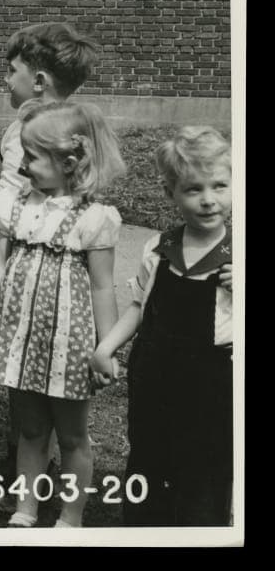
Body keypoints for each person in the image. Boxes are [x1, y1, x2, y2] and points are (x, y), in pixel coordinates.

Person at [0, 101, 125, 528]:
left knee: (73, 435)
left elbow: (102, 287)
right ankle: (26, 507)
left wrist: (106, 346)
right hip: (21, 339)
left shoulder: (94, 218)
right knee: (30, 429)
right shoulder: (17, 207)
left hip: (68, 345)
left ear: (70, 161)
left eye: (32, 156)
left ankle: (71, 516)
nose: (22, 165)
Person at [0, 22, 99, 502]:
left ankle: (35, 456)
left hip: (39, 252)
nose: (6, 80)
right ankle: (22, 447)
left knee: (39, 347)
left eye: (12, 71)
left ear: (40, 80)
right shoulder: (19, 125)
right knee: (16, 348)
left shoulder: (61, 132)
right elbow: (6, 182)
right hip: (9, 242)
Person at [90, 127, 233, 526]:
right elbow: (139, 306)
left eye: (220, 185)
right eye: (193, 189)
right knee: (149, 458)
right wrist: (106, 347)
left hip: (212, 387)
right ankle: (142, 525)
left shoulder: (237, 255)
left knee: (205, 470)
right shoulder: (159, 247)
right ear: (170, 193)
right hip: (154, 377)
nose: (208, 200)